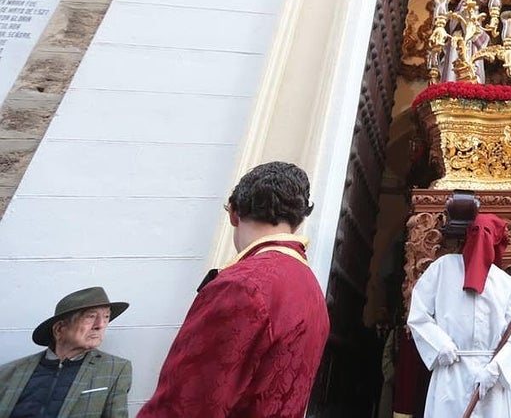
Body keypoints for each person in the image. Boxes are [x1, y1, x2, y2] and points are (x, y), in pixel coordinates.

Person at [138, 161, 329, 417]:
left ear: (233, 213)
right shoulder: (311, 289)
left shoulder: (242, 285)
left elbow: (186, 403)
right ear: (297, 221)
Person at [407, 213, 511, 418]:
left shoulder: (505, 283)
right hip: (451, 371)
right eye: (475, 231)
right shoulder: (443, 267)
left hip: (490, 379)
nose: (480, 237)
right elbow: (419, 314)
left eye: (487, 232)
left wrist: (496, 369)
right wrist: (440, 345)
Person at [0, 287, 131, 418]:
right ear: (59, 329)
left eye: (106, 317)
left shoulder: (115, 369)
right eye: (90, 316)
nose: (100, 325)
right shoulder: (9, 371)